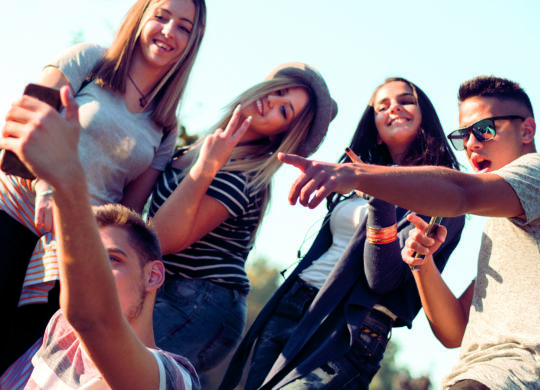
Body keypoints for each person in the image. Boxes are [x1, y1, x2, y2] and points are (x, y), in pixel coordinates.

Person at [279, 76, 539, 389]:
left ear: (526, 129)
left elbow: (461, 192)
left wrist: (357, 174)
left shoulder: (535, 171)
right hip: (474, 375)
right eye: (463, 135)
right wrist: (422, 264)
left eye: (484, 128)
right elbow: (455, 330)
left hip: (515, 374)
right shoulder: (504, 223)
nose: (471, 144)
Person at [0, 0, 206, 373]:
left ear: (192, 42)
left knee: (17, 354)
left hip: (66, 248)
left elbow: (127, 213)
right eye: (161, 16)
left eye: (184, 27)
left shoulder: (165, 125)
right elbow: (21, 123)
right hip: (14, 212)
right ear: (141, 17)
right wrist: (50, 187)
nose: (169, 31)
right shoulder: (91, 60)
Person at [220, 77, 465, 390]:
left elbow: (382, 278)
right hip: (294, 305)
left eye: (406, 100)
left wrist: (377, 192)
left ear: (424, 115)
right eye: (382, 106)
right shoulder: (358, 178)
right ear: (374, 130)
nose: (395, 109)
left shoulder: (446, 193)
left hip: (352, 327)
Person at [147, 62, 338, 373]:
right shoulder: (199, 147)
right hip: (163, 288)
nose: (272, 102)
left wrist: (206, 167)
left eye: (284, 111)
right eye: (278, 91)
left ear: (282, 133)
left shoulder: (243, 176)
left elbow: (159, 240)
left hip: (200, 303)